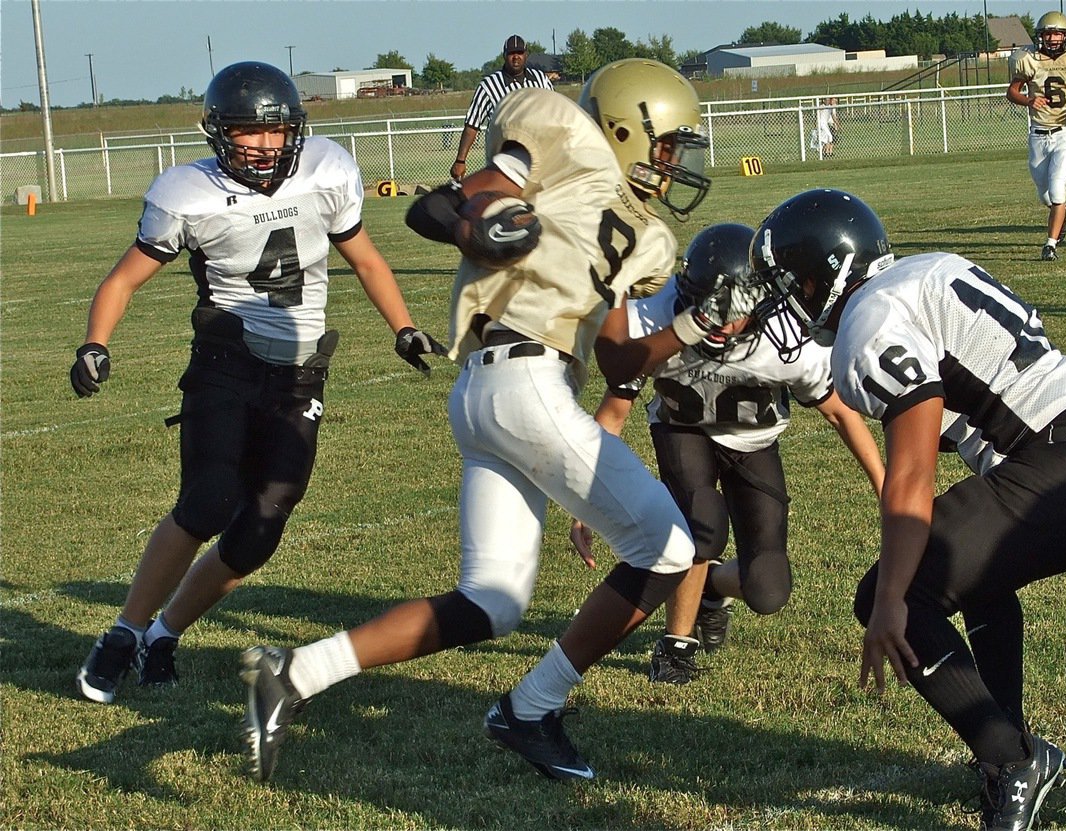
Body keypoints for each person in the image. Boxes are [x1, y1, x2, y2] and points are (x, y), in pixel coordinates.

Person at [238, 59, 742, 784]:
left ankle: (293, 674)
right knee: (666, 547)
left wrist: (697, 327)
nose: (672, 165)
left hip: (504, 394)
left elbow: (619, 358)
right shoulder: (563, 134)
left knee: (494, 601)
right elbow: (443, 207)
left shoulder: (650, 237)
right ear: (628, 126)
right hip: (519, 381)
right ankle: (532, 707)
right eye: (666, 147)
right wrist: (473, 224)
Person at [750, 188, 1066, 831]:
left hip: (1060, 469)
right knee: (979, 579)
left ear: (828, 273)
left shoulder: (870, 321)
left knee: (898, 593)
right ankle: (1006, 752)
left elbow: (912, 473)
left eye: (792, 284)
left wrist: (888, 602)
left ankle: (1013, 758)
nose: (787, 303)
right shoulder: (923, 271)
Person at [71, 62, 447, 705]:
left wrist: (404, 326)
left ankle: (164, 632)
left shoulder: (327, 171)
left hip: (301, 367)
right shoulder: (187, 191)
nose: (265, 146)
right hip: (227, 357)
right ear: (219, 132)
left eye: (276, 133)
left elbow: (364, 256)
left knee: (263, 524)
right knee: (209, 500)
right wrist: (95, 343)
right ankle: (122, 634)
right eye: (248, 132)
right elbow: (123, 279)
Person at [570, 223, 884, 685]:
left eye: (733, 312)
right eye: (709, 308)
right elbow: (614, 413)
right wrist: (584, 499)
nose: (722, 324)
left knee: (768, 589)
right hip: (682, 431)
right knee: (702, 524)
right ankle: (677, 644)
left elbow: (839, 414)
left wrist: (884, 483)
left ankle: (711, 587)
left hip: (754, 443)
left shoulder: (788, 342)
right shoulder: (657, 322)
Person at [1005, 12, 1066, 262]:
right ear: (1040, 36)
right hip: (1038, 134)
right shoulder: (1029, 59)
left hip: (1065, 134)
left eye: (1057, 34)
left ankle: (1050, 244)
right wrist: (1029, 99)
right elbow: (1012, 92)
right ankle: (1061, 215)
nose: (1053, 38)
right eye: (1048, 34)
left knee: (1058, 190)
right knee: (1044, 194)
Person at [450, 34, 553, 182]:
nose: (516, 57)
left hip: (539, 159)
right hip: (504, 163)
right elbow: (472, 125)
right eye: (511, 53)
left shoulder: (540, 80)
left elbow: (556, 113)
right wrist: (461, 160)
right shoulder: (488, 86)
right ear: (504, 55)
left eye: (519, 53)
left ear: (526, 55)